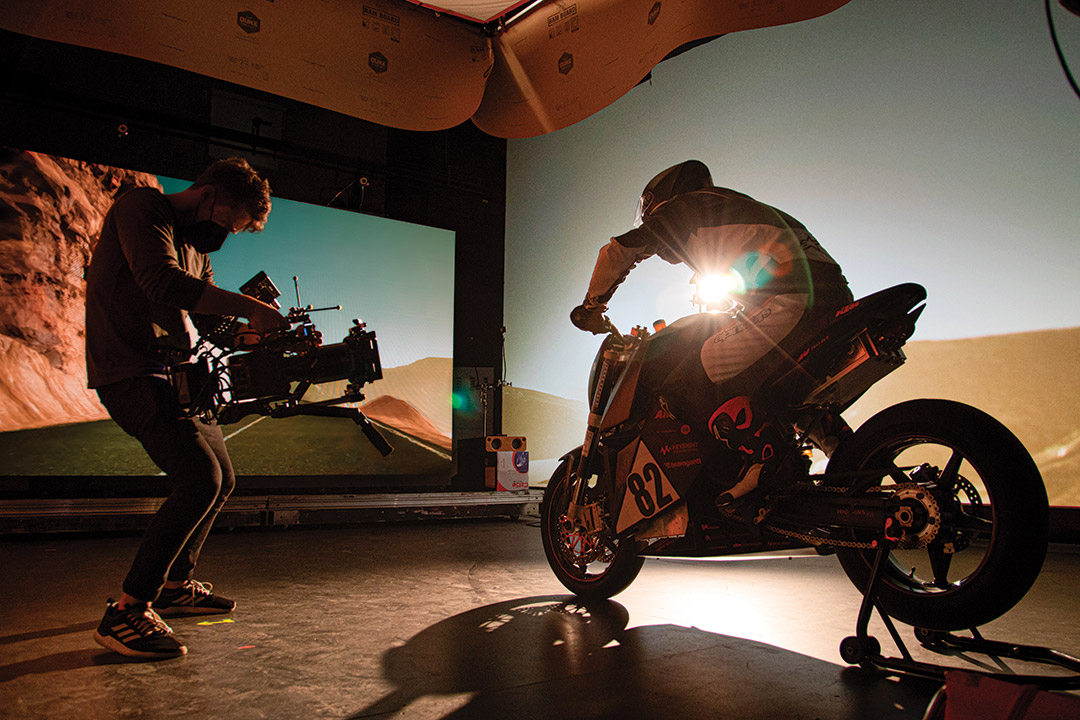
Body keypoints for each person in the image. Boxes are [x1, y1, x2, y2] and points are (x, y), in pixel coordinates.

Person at [85, 157, 289, 659]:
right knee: (199, 478)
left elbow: (207, 324)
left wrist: (262, 336)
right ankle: (128, 611)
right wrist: (252, 308)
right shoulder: (142, 208)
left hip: (177, 376)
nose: (225, 235)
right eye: (228, 223)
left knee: (222, 476)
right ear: (207, 195)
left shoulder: (198, 252)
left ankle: (175, 587)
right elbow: (159, 282)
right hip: (129, 371)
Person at [571, 160, 853, 507]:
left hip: (792, 301)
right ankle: (847, 453)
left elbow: (618, 252)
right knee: (777, 389)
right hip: (833, 298)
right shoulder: (732, 209)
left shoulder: (683, 209)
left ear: (661, 198)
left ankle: (766, 458)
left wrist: (591, 306)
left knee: (687, 381)